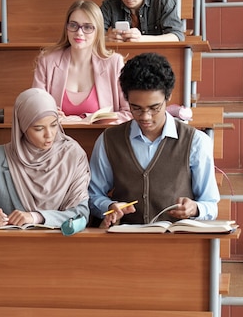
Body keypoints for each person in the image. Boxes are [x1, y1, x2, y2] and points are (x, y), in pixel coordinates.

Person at [89, 52, 219, 227]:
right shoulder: (108, 140)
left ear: (168, 97)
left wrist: (195, 208)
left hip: (176, 243)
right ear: (126, 99)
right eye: (136, 108)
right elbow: (93, 195)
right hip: (125, 241)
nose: (145, 117)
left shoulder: (195, 142)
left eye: (154, 108)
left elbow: (210, 204)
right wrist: (110, 206)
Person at [0, 88, 90, 227]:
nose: (49, 134)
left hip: (62, 242)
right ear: (22, 127)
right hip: (14, 244)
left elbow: (81, 214)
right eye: (39, 128)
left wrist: (36, 217)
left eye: (54, 125)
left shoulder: (73, 155)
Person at [32, 0, 131, 123]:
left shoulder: (114, 63)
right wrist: (47, 115)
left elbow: (128, 113)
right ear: (66, 28)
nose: (79, 32)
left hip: (102, 138)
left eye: (87, 27)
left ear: (98, 31)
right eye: (73, 25)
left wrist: (82, 120)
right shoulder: (47, 62)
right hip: (57, 139)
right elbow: (34, 111)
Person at [100, 0, 185, 42]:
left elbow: (176, 35)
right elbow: (92, 35)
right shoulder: (110, 4)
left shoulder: (162, 0)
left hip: (158, 59)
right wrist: (108, 39)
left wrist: (142, 39)